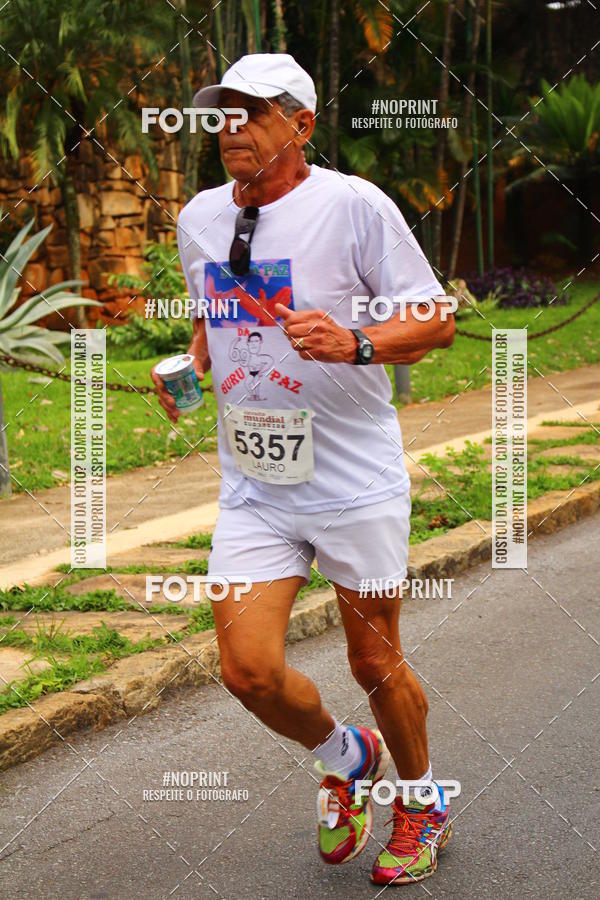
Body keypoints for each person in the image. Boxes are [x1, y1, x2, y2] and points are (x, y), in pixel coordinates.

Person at [151, 52, 455, 886]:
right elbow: (217, 320)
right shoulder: (201, 218)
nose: (231, 129)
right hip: (255, 484)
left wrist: (357, 341)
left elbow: (435, 320)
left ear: (302, 123)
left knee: (372, 659)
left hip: (352, 480)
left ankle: (423, 799)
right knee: (246, 669)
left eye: (252, 113)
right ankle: (346, 756)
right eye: (222, 114)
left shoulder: (353, 206)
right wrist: (190, 367)